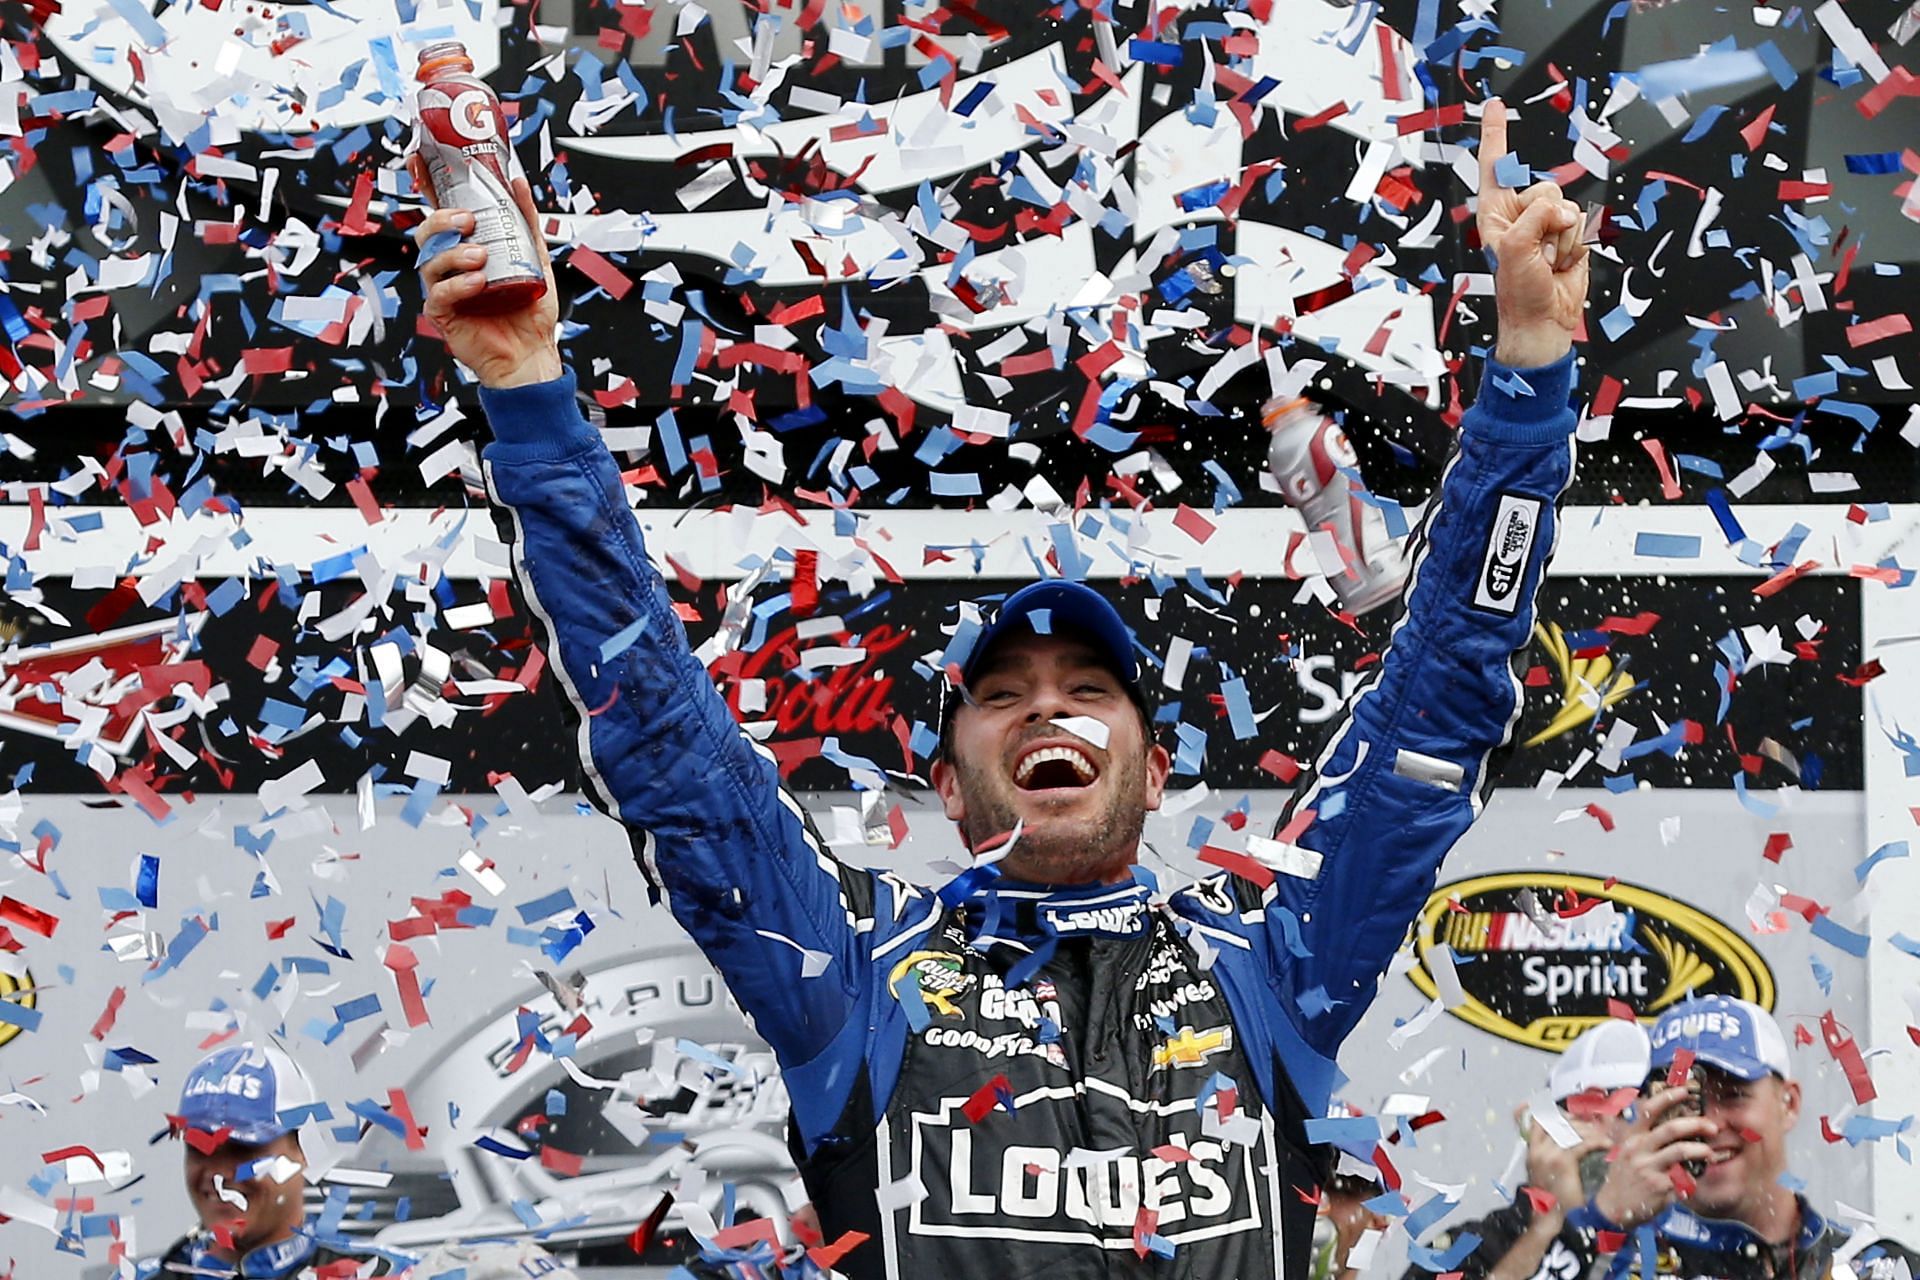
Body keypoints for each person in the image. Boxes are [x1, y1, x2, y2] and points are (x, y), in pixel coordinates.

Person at [412, 99, 1590, 1278]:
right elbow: (668, 741)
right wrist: (529, 395)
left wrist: (1531, 380)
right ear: (947, 785)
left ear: (1158, 767)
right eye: (1004, 692)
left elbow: (1436, 703)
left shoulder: (1269, 965)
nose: (1048, 706)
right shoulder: (857, 969)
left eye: (1090, 685)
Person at [1555, 996, 1920, 1280]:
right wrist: (1604, 1224)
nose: (1710, 1125)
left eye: (1733, 1095)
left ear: (1788, 1104)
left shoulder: (1874, 1267)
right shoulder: (1616, 1261)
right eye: (1687, 1102)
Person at [1402, 1019, 1651, 1280]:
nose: (1605, 1126)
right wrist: (1551, 1227)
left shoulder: (1681, 1242)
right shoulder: (1463, 1253)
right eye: (1591, 1109)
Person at [145, 1043, 401, 1278]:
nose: (218, 1175)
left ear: (306, 1149)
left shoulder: (384, 1274)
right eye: (199, 1148)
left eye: (242, 1148)